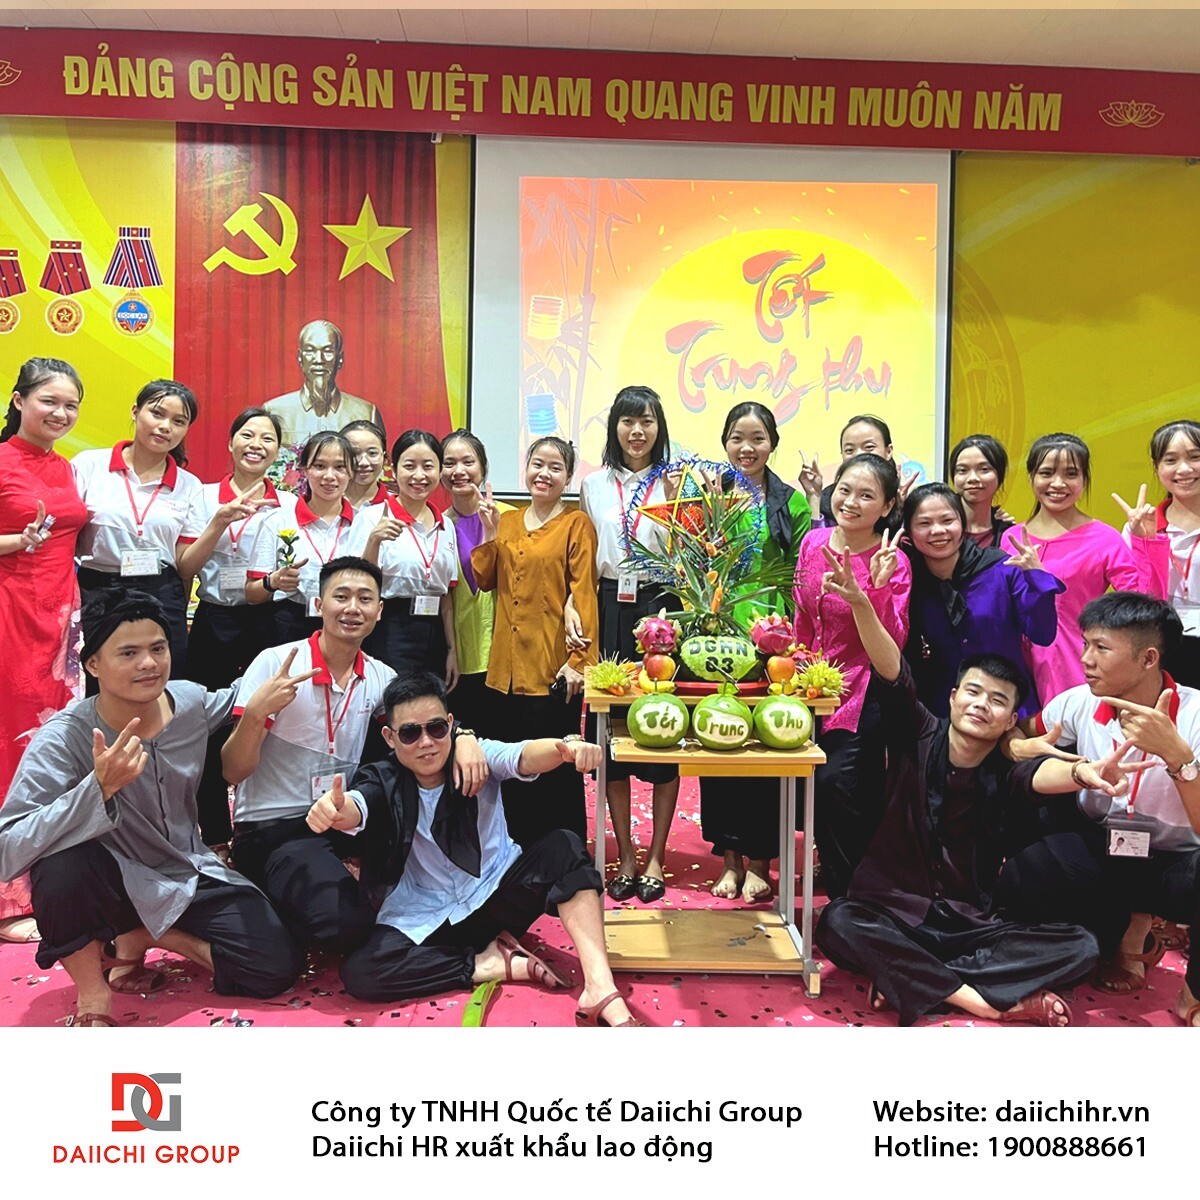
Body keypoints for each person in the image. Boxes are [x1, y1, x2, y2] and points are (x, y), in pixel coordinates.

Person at [814, 556, 1107, 1028]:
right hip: (892, 912)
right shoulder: (918, 731)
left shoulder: (1005, 766)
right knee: (837, 922)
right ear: (953, 698)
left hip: (969, 925)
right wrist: (862, 605)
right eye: (973, 692)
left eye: (998, 700)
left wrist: (1082, 773)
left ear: (1010, 721)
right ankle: (979, 999)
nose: (981, 705)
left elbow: (1039, 776)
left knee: (1083, 947)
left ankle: (907, 976)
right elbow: (891, 669)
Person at [0, 589, 304, 1027]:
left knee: (273, 965)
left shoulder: (190, 703)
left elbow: (242, 695)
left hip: (185, 871)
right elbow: (8, 849)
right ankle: (93, 994)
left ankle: (144, 935)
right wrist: (97, 789)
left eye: (158, 649)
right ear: (93, 664)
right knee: (60, 867)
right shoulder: (64, 738)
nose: (149, 663)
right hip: (109, 879)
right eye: (129, 653)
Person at [312, 672, 641, 1025]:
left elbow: (521, 756)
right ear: (390, 738)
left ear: (451, 724)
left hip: (499, 896)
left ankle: (600, 986)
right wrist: (337, 810)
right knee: (362, 971)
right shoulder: (383, 778)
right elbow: (359, 804)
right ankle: (487, 964)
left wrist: (565, 748)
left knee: (564, 845)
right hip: (430, 918)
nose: (426, 742)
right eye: (410, 733)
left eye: (436, 728)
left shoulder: (473, 756)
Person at [222, 555, 486, 954]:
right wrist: (258, 712)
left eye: (364, 599)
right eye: (341, 596)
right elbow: (233, 771)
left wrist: (463, 736)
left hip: (339, 821)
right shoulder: (277, 664)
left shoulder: (379, 676)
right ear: (318, 604)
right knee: (346, 925)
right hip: (274, 827)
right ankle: (264, 897)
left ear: (379, 611)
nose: (352, 608)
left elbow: (423, 723)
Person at [996, 593, 1200, 1028]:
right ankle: (1100, 939)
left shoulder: (1196, 714)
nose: (1085, 659)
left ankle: (1193, 992)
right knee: (1023, 873)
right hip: (1103, 847)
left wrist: (1178, 757)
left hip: (1176, 862)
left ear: (1148, 658)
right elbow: (1020, 732)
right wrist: (1016, 746)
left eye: (1101, 648)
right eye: (1085, 644)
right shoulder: (1079, 702)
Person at [703, 401, 812, 903]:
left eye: (757, 439)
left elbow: (803, 572)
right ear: (724, 442)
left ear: (773, 444)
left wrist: (794, 637)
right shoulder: (709, 495)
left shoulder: (792, 503)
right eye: (737, 438)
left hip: (774, 637)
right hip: (718, 633)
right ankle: (729, 858)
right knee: (719, 739)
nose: (746, 448)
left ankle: (762, 861)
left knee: (769, 746)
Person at [792, 452, 909, 901]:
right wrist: (795, 668)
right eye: (844, 490)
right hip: (808, 686)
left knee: (840, 787)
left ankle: (856, 899)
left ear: (887, 505)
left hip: (862, 689)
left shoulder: (892, 560)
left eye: (866, 495)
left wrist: (873, 590)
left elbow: (893, 643)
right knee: (808, 787)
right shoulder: (813, 543)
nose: (851, 502)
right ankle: (838, 886)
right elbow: (803, 615)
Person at [578, 386, 680, 904]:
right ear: (614, 426)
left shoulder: (677, 483)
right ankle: (626, 854)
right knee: (610, 732)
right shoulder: (593, 485)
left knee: (663, 728)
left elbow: (690, 552)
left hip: (661, 603)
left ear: (659, 428)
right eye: (627, 421)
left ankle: (657, 855)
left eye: (647, 421)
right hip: (607, 605)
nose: (637, 431)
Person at [0, 357, 89, 944]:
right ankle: (9, 895)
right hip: (11, 615)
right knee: (12, 745)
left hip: (64, 624)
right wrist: (14, 540)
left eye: (70, 405)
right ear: (19, 399)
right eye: (48, 401)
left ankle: (54, 882)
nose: (60, 413)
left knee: (57, 748)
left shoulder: (65, 467)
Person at [473, 436, 598, 849]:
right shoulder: (507, 521)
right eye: (537, 464)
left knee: (556, 767)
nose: (544, 473)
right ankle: (513, 854)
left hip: (551, 668)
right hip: (504, 669)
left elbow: (584, 592)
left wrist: (578, 662)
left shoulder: (576, 524)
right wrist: (489, 531)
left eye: (555, 467)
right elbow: (485, 580)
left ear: (568, 477)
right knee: (510, 767)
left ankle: (563, 854)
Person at [186, 407, 297, 849]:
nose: (257, 445)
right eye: (247, 435)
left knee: (264, 724)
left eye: (268, 438)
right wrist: (220, 521)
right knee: (207, 727)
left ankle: (260, 831)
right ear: (230, 443)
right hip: (213, 619)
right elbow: (185, 564)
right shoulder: (202, 497)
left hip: (268, 623)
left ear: (278, 451)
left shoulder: (288, 504)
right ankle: (214, 834)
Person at [72, 380, 219, 681]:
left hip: (160, 591)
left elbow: (185, 566)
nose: (166, 427)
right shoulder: (89, 465)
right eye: (157, 414)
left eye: (178, 421)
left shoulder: (189, 485)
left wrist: (220, 523)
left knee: (162, 679)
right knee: (96, 679)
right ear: (135, 411)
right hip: (96, 589)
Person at [1000, 433, 1156, 702]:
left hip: (1074, 668)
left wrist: (1144, 541)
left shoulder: (1104, 538)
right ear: (1031, 477)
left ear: (1084, 480)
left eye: (1071, 474)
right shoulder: (1010, 537)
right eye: (1046, 473)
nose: (1058, 483)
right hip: (1013, 671)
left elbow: (1142, 605)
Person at [903, 482, 1062, 717]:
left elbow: (1042, 634)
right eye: (924, 523)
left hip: (1007, 706)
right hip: (945, 710)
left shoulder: (1003, 568)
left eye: (947, 520)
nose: (937, 531)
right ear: (909, 531)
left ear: (962, 523)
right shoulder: (911, 581)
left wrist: (1037, 578)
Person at [346, 430, 459, 687]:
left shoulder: (446, 525)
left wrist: (452, 649)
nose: (419, 475)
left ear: (440, 470)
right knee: (392, 701)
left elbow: (447, 595)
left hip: (434, 632)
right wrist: (374, 541)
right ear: (394, 469)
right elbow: (356, 582)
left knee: (430, 703)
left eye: (428, 466)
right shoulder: (372, 518)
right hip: (389, 628)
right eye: (409, 466)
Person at [247, 430, 354, 645]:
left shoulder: (363, 525)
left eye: (340, 467)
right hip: (290, 625)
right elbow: (251, 594)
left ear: (351, 472)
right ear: (305, 469)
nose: (329, 475)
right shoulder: (277, 521)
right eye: (319, 466)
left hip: (347, 625)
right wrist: (273, 581)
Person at [440, 429, 513, 735]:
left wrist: (492, 531)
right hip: (461, 655)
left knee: (505, 741)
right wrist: (450, 650)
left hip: (505, 654)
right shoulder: (439, 525)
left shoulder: (510, 518)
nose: (458, 471)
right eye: (449, 463)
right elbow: (443, 595)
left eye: (468, 462)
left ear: (483, 468)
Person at [1120, 420, 1200, 687]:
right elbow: (1139, 600)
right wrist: (1146, 541)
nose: (1184, 469)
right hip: (1161, 648)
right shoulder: (1140, 525)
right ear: (1157, 467)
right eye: (1171, 460)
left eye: (1195, 457)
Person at [264, 320, 385, 449]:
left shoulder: (366, 413)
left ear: (340, 358)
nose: (319, 360)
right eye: (310, 351)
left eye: (327, 351)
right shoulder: (275, 411)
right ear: (300, 358)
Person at [796, 413, 916, 530]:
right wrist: (814, 497)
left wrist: (900, 509)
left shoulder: (910, 499)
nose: (859, 455)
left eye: (869, 447)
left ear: (888, 451)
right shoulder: (829, 500)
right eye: (849, 450)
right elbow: (816, 540)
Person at [949, 433, 1014, 549]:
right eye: (962, 470)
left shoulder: (1009, 534)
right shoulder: (939, 529)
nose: (972, 478)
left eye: (984, 469)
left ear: (1000, 476)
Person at [341, 419, 392, 513]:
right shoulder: (325, 501)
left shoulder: (396, 505)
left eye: (372, 453)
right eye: (354, 453)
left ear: (385, 459)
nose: (363, 463)